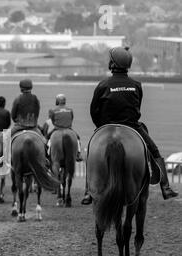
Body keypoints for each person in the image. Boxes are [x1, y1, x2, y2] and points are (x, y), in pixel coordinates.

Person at [81, 46, 178, 205]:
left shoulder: (103, 85)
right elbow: (137, 107)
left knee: (91, 151)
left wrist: (101, 127)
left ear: (113, 64)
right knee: (154, 151)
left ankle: (88, 192)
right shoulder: (136, 85)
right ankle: (165, 188)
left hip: (106, 127)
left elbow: (94, 110)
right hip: (133, 127)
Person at [47, 94, 83, 162]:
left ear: (57, 101)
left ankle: (48, 154)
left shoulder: (53, 110)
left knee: (47, 138)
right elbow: (71, 118)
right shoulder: (70, 110)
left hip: (57, 129)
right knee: (77, 138)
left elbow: (53, 121)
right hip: (68, 128)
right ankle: (78, 154)